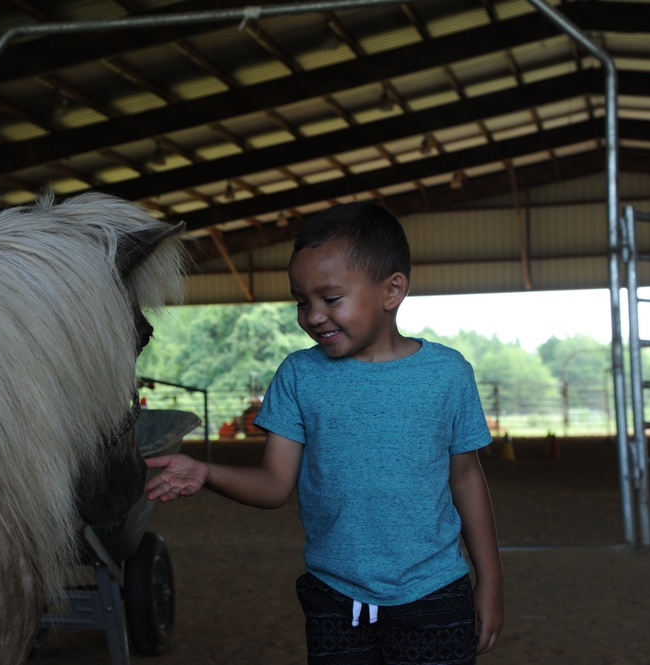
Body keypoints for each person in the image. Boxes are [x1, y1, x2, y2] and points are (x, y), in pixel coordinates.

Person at [145, 201, 504, 664]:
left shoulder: (448, 374)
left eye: (330, 299)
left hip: (434, 595)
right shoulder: (299, 376)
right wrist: (206, 471)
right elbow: (274, 485)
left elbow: (466, 478)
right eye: (302, 301)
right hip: (334, 600)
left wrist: (490, 580)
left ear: (392, 290)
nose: (313, 316)